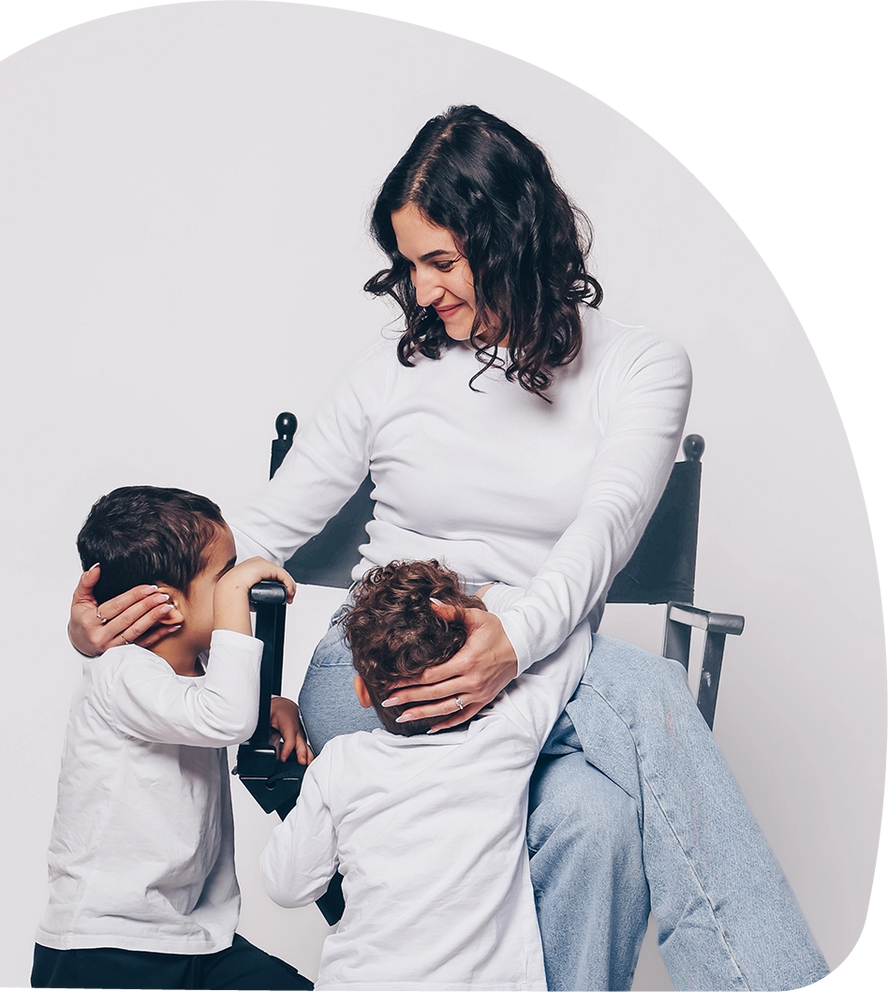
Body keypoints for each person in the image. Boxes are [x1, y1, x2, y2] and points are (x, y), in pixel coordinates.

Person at [67, 108, 830, 992]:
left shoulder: (644, 367)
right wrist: (127, 634)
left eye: (441, 261)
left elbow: (607, 527)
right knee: (649, 695)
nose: (422, 292)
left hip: (542, 645)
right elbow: (261, 531)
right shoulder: (387, 374)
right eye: (409, 265)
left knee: (595, 824)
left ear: (511, 237)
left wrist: (509, 641)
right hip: (384, 654)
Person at [32, 486, 314, 992]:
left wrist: (273, 706)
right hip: (106, 947)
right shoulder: (120, 672)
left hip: (192, 938)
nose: (239, 588)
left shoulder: (197, 680)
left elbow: (214, 706)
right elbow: (220, 716)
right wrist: (233, 600)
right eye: (225, 575)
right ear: (165, 603)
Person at [261, 560, 589, 991]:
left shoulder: (341, 761)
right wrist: (490, 604)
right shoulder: (507, 735)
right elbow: (572, 631)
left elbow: (287, 886)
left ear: (360, 692)